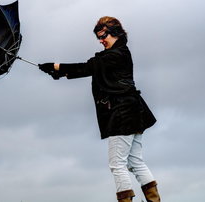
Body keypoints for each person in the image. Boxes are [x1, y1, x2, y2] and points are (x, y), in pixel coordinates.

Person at [39, 16, 161, 202]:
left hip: (122, 113)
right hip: (134, 112)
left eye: (104, 35)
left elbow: (88, 67)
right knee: (135, 161)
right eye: (98, 36)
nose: (101, 40)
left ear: (115, 33)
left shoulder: (115, 54)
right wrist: (60, 72)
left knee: (117, 165)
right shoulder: (119, 52)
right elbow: (92, 68)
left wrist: (56, 66)